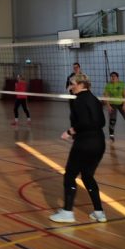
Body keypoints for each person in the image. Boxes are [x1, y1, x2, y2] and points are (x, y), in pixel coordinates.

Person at [50, 73, 107, 224]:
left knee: (70, 175)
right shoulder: (94, 99)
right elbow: (101, 122)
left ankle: (67, 213)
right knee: (87, 176)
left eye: (72, 84)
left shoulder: (79, 100)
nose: (70, 87)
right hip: (99, 143)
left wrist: (70, 131)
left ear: (81, 85)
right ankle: (99, 212)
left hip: (84, 143)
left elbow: (84, 122)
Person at [102, 71, 125, 142]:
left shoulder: (121, 84)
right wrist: (108, 106)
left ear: (117, 77)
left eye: (114, 76)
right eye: (111, 76)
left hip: (121, 103)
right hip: (112, 104)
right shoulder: (108, 85)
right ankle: (111, 135)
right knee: (112, 120)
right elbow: (106, 96)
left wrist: (124, 105)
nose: (113, 78)